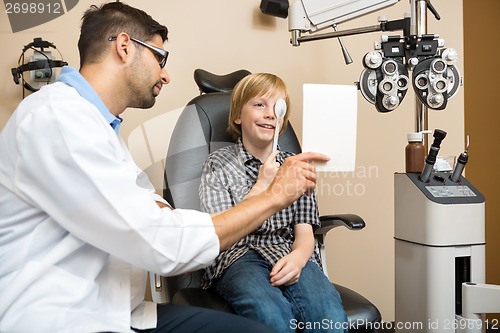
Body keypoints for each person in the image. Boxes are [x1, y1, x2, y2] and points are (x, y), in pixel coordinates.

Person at [0, 3, 329, 333]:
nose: (166, 75)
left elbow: (152, 207)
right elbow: (163, 243)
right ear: (125, 47)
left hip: (118, 310)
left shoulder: (102, 130)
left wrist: (155, 214)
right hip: (62, 319)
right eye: (161, 58)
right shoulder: (57, 118)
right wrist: (270, 196)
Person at [199, 73, 348, 333]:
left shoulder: (296, 166)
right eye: (259, 105)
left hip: (287, 252)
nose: (270, 114)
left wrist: (299, 258)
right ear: (237, 116)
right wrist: (262, 186)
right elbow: (221, 232)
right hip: (236, 257)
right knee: (271, 317)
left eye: (277, 108)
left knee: (330, 317)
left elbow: (305, 234)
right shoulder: (218, 164)